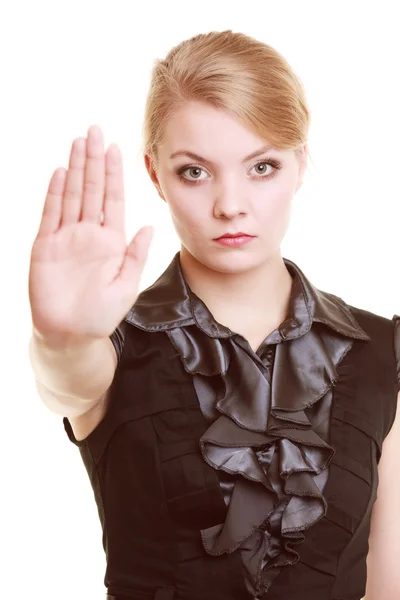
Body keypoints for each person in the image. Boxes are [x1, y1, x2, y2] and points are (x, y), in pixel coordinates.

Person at [28, 29, 400, 600]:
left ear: (300, 165)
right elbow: (67, 381)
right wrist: (61, 337)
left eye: (262, 167)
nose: (230, 204)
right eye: (194, 171)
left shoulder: (381, 350)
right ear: (155, 175)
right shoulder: (111, 344)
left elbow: (388, 581)